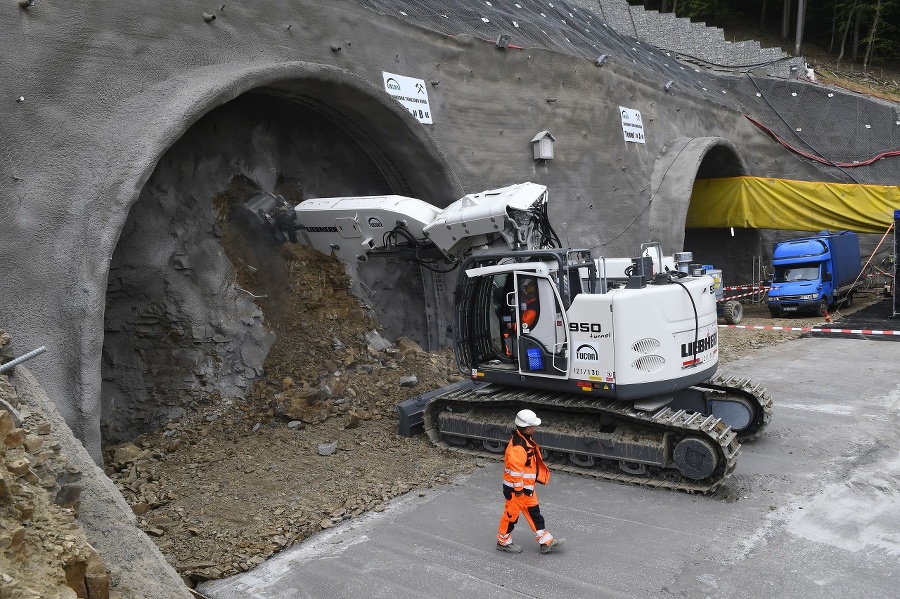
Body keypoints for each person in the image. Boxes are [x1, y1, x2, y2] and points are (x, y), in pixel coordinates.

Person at [496, 409, 565, 554]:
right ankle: (503, 542)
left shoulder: (525, 440)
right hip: (516, 491)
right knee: (511, 516)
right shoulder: (518, 447)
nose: (536, 428)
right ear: (527, 429)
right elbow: (516, 473)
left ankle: (546, 542)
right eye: (534, 426)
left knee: (534, 513)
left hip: (526, 488)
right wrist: (520, 491)